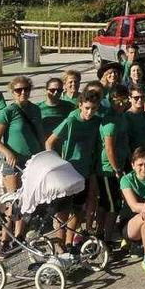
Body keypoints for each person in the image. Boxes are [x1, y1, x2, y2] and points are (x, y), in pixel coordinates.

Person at [0, 76, 44, 257]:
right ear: (12, 92)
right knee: (12, 201)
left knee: (26, 200)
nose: (23, 93)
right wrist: (8, 153)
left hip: (32, 161)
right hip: (13, 162)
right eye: (18, 90)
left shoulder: (36, 110)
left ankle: (19, 236)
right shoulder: (7, 112)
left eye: (26, 89)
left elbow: (41, 136)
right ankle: (5, 238)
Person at [45, 90, 102, 253]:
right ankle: (59, 244)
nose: (89, 112)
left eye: (93, 108)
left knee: (77, 209)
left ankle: (69, 243)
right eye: (86, 108)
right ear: (80, 106)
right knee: (62, 211)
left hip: (85, 171)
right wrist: (54, 165)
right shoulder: (71, 120)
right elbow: (49, 142)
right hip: (68, 172)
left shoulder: (97, 121)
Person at [97, 85, 132, 242]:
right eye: (117, 101)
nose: (121, 104)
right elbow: (109, 149)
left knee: (108, 203)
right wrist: (117, 169)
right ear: (111, 100)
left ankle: (103, 233)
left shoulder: (121, 116)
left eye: (124, 101)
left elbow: (124, 141)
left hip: (122, 162)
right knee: (113, 205)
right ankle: (107, 238)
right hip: (108, 169)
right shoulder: (110, 121)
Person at [126, 85, 145, 151]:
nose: (140, 100)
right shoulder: (126, 117)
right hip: (133, 155)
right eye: (136, 98)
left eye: (142, 97)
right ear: (129, 99)